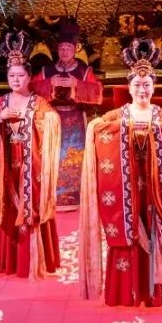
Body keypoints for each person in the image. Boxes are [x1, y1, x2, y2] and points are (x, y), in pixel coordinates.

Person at [79, 38, 162, 307]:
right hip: (126, 190)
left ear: (154, 86)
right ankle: (127, 292)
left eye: (147, 85)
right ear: (129, 87)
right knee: (127, 230)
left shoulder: (161, 114)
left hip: (156, 191)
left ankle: (157, 292)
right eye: (137, 85)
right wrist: (127, 130)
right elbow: (97, 126)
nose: (142, 90)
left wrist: (154, 130)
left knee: (155, 226)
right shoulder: (118, 115)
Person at [0, 31, 61, 280]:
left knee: (31, 208)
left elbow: (52, 120)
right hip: (6, 166)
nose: (16, 80)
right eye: (12, 76)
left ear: (29, 77)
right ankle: (7, 261)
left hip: (30, 168)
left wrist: (30, 119)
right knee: (7, 208)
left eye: (21, 75)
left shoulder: (37, 102)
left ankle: (31, 261)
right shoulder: (0, 103)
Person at [29, 18, 102, 211]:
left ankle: (75, 198)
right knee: (52, 156)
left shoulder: (84, 71)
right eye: (61, 48)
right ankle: (53, 197)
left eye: (68, 48)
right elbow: (32, 89)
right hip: (52, 120)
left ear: (75, 49)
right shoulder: (47, 71)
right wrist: (49, 84)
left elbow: (97, 93)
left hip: (75, 121)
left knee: (73, 158)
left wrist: (76, 84)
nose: (64, 52)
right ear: (57, 50)